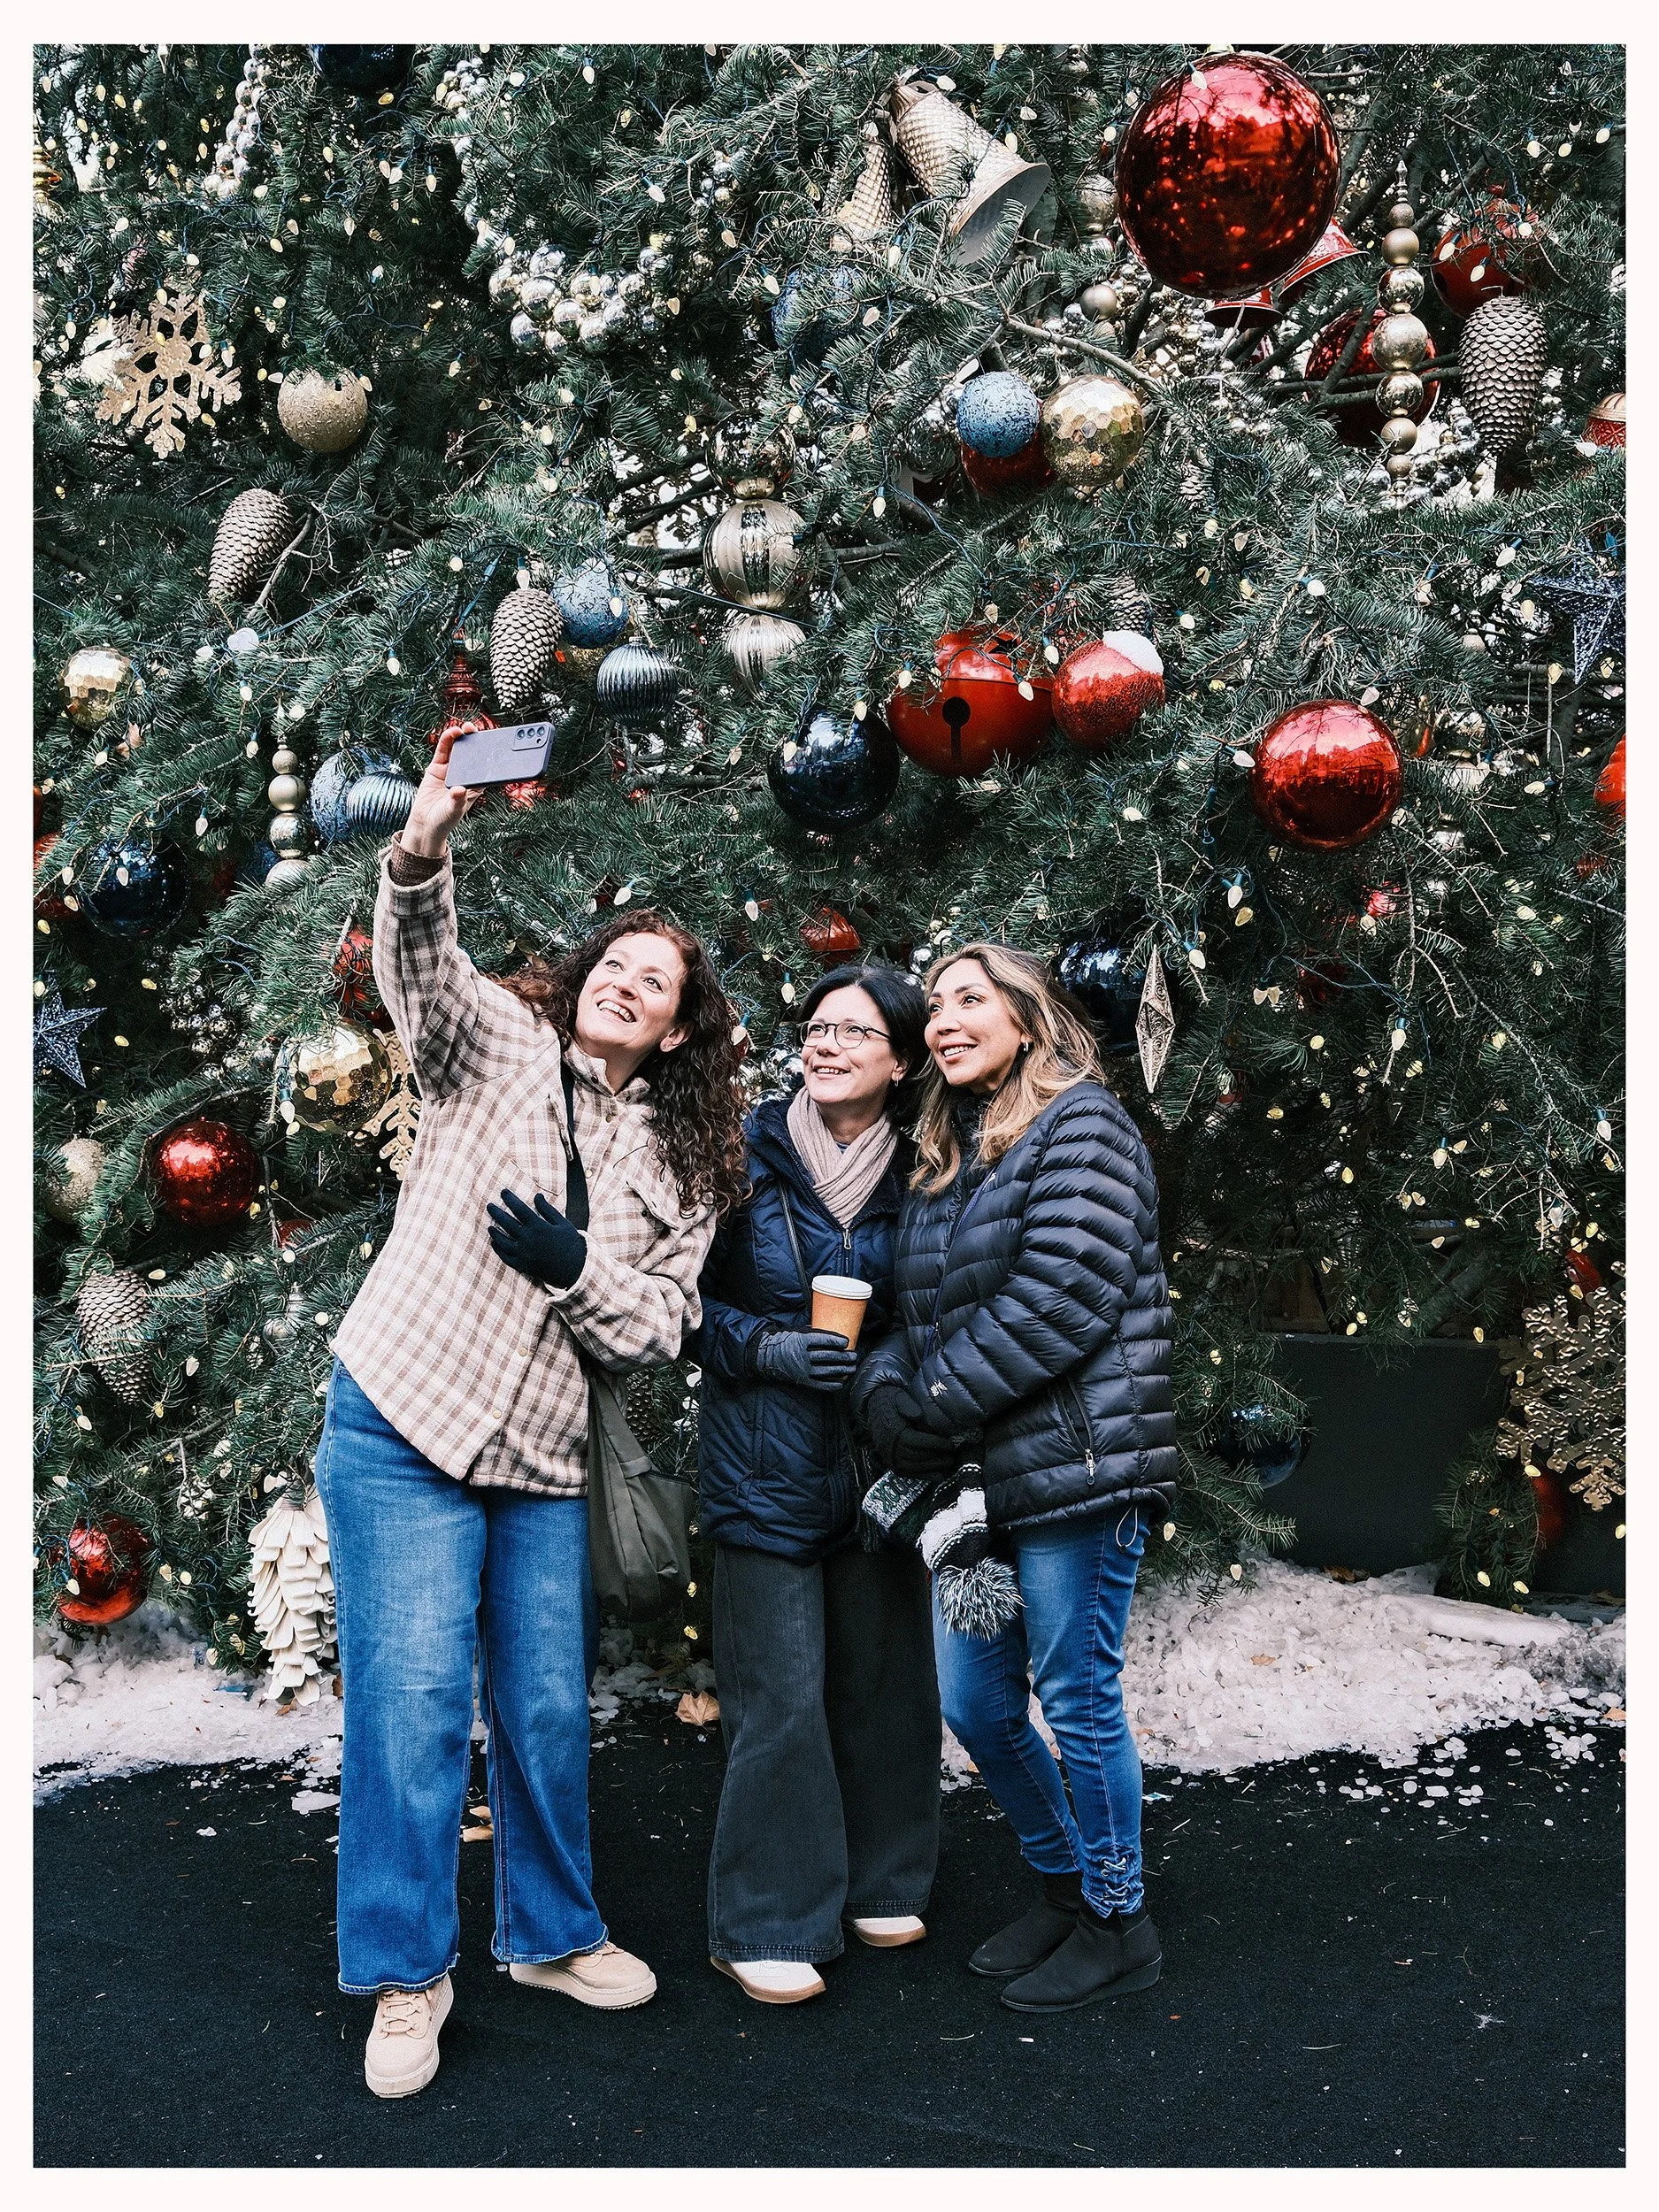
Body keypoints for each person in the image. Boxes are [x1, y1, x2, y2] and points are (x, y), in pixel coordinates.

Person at [317, 721, 747, 2098]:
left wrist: (574, 1269)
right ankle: (403, 1973)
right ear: (579, 984)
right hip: (404, 1415)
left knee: (549, 1710)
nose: (627, 985)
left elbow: (661, 1324)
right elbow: (416, 969)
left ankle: (551, 1934)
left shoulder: (685, 1165)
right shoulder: (495, 1047)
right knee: (413, 1707)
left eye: (655, 983)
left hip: (542, 1457)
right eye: (613, 965)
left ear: (676, 1026)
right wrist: (423, 846)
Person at [851, 942, 1177, 2016]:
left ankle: (1119, 1920)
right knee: (978, 1705)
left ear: (1027, 1018)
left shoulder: (1082, 1126)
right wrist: (884, 1392)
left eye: (969, 999)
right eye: (934, 1005)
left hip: (1080, 1468)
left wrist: (932, 1404)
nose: (944, 1019)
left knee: (1078, 1699)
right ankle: (1066, 1886)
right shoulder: (947, 1154)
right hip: (985, 1490)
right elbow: (910, 1312)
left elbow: (1059, 1300)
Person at [693, 963, 939, 2004]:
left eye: (855, 1031)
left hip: (880, 1459)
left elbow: (952, 1300)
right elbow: (672, 1301)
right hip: (761, 1455)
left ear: (902, 1058)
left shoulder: (931, 1168)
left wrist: (881, 1364)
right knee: (780, 1693)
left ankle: (887, 1875)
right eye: (818, 1026)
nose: (827, 1044)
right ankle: (769, 1917)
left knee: (886, 1683)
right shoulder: (735, 1150)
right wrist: (765, 1347)